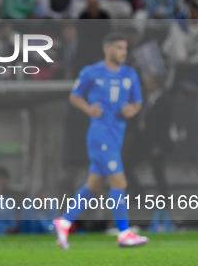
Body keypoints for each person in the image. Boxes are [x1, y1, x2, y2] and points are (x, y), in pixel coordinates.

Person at [53, 32, 149, 248]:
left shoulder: (130, 74)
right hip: (99, 136)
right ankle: (124, 233)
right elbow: (74, 95)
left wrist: (131, 110)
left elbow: (137, 102)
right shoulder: (91, 72)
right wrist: (88, 108)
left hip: (117, 136)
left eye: (125, 48)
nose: (123, 52)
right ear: (107, 49)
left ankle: (64, 221)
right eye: (118, 48)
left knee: (93, 185)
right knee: (120, 182)